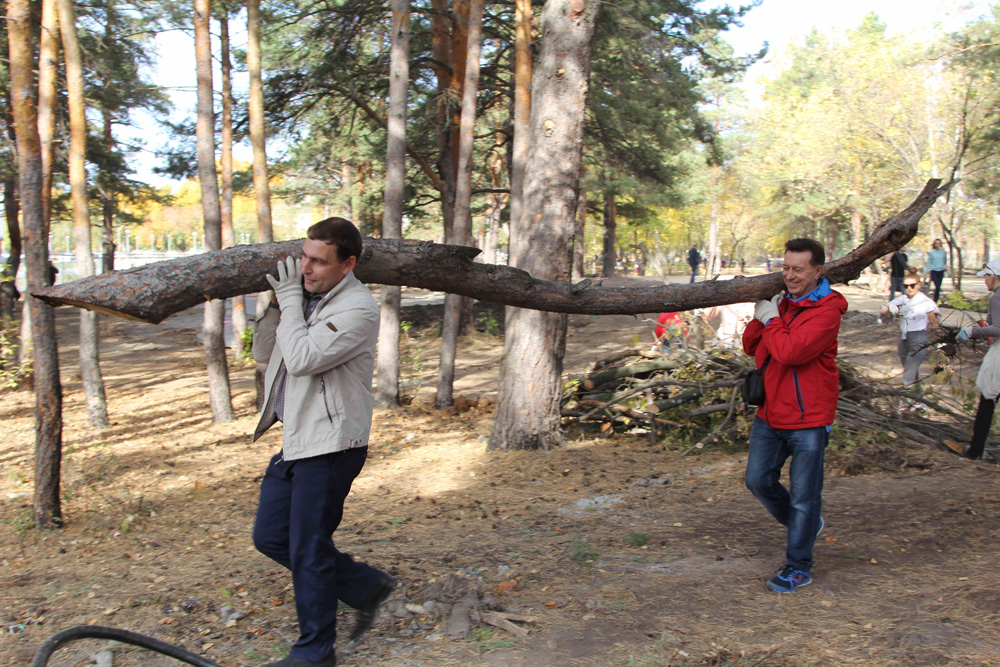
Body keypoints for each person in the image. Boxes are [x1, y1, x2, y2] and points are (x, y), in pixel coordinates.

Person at [251, 217, 395, 667]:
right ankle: (364, 587)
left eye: (317, 261)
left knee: (308, 549)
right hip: (298, 437)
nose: (305, 268)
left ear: (348, 263)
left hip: (332, 444)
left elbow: (302, 358)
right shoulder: (306, 299)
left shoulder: (358, 309)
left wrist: (292, 300)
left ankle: (315, 653)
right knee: (271, 536)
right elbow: (264, 355)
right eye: (303, 257)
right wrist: (279, 306)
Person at [742, 238, 848, 593]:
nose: (789, 276)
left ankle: (799, 566)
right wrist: (762, 317)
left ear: (818, 271)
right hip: (770, 413)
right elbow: (751, 347)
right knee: (758, 481)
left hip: (809, 420)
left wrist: (772, 321)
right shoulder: (783, 302)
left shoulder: (828, 311)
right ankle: (805, 525)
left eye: (797, 269)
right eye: (785, 268)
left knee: (805, 495)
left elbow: (789, 352)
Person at [951, 260, 1000, 459]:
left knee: (988, 397)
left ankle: (975, 451)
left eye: (987, 276)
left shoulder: (997, 297)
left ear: (995, 276)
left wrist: (972, 331)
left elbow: (998, 328)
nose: (985, 280)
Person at [879, 274, 939, 393]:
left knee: (908, 374)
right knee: (910, 370)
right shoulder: (903, 299)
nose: (909, 288)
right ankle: (918, 400)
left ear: (919, 285)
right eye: (906, 286)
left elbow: (935, 323)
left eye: (912, 285)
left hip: (919, 338)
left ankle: (905, 402)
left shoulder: (926, 302)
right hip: (904, 338)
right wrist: (890, 307)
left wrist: (940, 341)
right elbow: (883, 310)